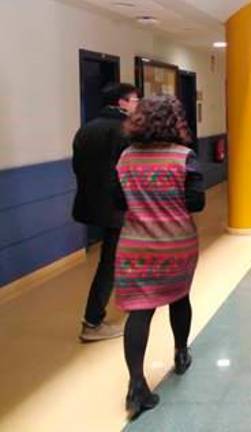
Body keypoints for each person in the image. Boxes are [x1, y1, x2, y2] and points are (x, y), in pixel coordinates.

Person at [115, 95, 205, 418]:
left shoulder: (125, 158)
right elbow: (196, 203)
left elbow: (117, 201)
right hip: (176, 243)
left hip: (135, 245)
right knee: (179, 299)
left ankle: (137, 385)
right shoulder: (184, 157)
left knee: (139, 312)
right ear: (175, 121)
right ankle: (181, 354)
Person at [72, 83, 139, 342]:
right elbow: (130, 172)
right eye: (134, 100)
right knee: (110, 262)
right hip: (118, 207)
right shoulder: (127, 130)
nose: (137, 105)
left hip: (91, 203)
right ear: (121, 103)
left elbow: (77, 167)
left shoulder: (86, 129)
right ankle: (93, 321)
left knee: (112, 259)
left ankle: (121, 304)